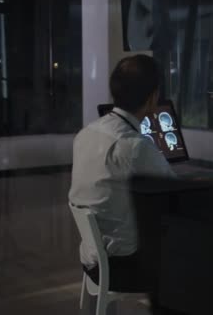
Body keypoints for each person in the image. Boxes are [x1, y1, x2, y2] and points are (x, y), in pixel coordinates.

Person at [68, 54, 175, 292]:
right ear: (152, 98)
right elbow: (175, 193)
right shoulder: (135, 147)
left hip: (91, 258)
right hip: (124, 268)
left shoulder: (85, 133)